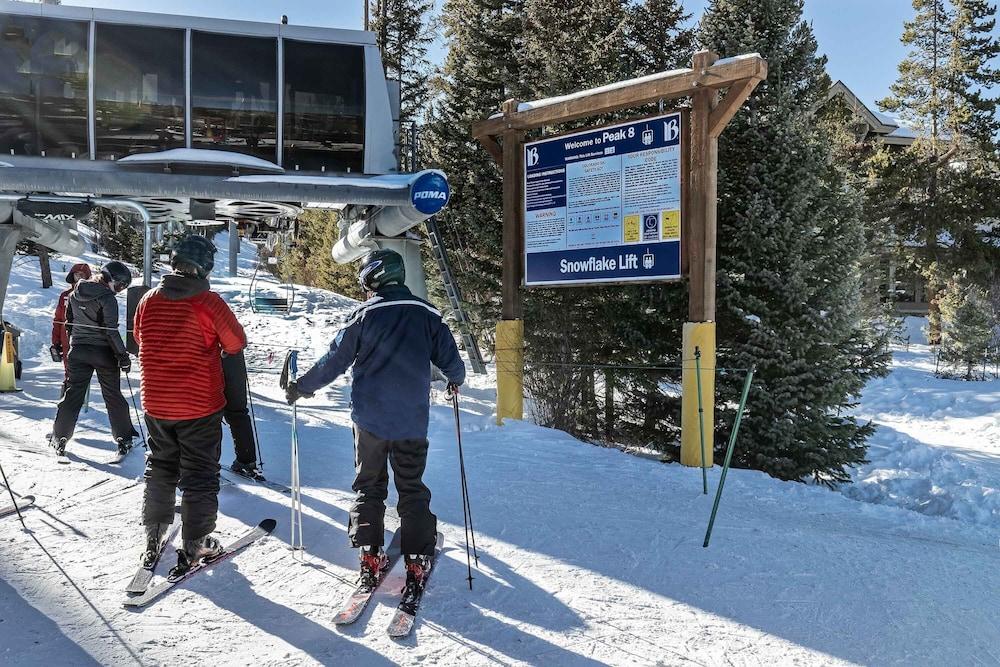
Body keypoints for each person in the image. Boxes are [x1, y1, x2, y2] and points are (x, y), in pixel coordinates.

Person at [284, 249, 466, 600]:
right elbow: (451, 362)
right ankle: (415, 560)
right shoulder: (428, 314)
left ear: (374, 277)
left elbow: (334, 360)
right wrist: (454, 380)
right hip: (411, 420)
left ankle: (369, 556)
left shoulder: (362, 315)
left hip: (368, 420)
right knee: (411, 486)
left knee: (369, 486)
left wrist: (302, 387)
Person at [134, 234, 246, 575]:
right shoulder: (208, 302)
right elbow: (236, 342)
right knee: (199, 473)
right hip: (198, 404)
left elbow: (140, 337)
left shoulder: (148, 299)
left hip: (156, 401)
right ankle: (196, 541)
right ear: (205, 267)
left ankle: (154, 534)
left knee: (161, 465)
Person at [49, 261, 136, 459]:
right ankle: (124, 438)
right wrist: (122, 356)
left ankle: (60, 435)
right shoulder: (107, 298)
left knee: (73, 394)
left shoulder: (75, 292)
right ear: (111, 280)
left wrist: (76, 341)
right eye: (120, 286)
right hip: (103, 352)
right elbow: (110, 331)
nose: (120, 290)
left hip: (78, 351)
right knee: (112, 395)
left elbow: (68, 322)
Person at [224, 350, 265, 481]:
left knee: (210, 415)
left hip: (208, 359)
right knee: (238, 413)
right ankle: (246, 460)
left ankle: (208, 465)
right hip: (234, 358)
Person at [51, 262, 93, 386]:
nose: (79, 277)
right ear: (72, 276)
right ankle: (68, 393)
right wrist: (55, 341)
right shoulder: (65, 296)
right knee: (68, 370)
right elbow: (58, 319)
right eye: (76, 274)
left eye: (82, 275)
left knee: (83, 371)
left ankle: (80, 397)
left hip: (85, 338)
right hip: (66, 338)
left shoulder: (94, 296)